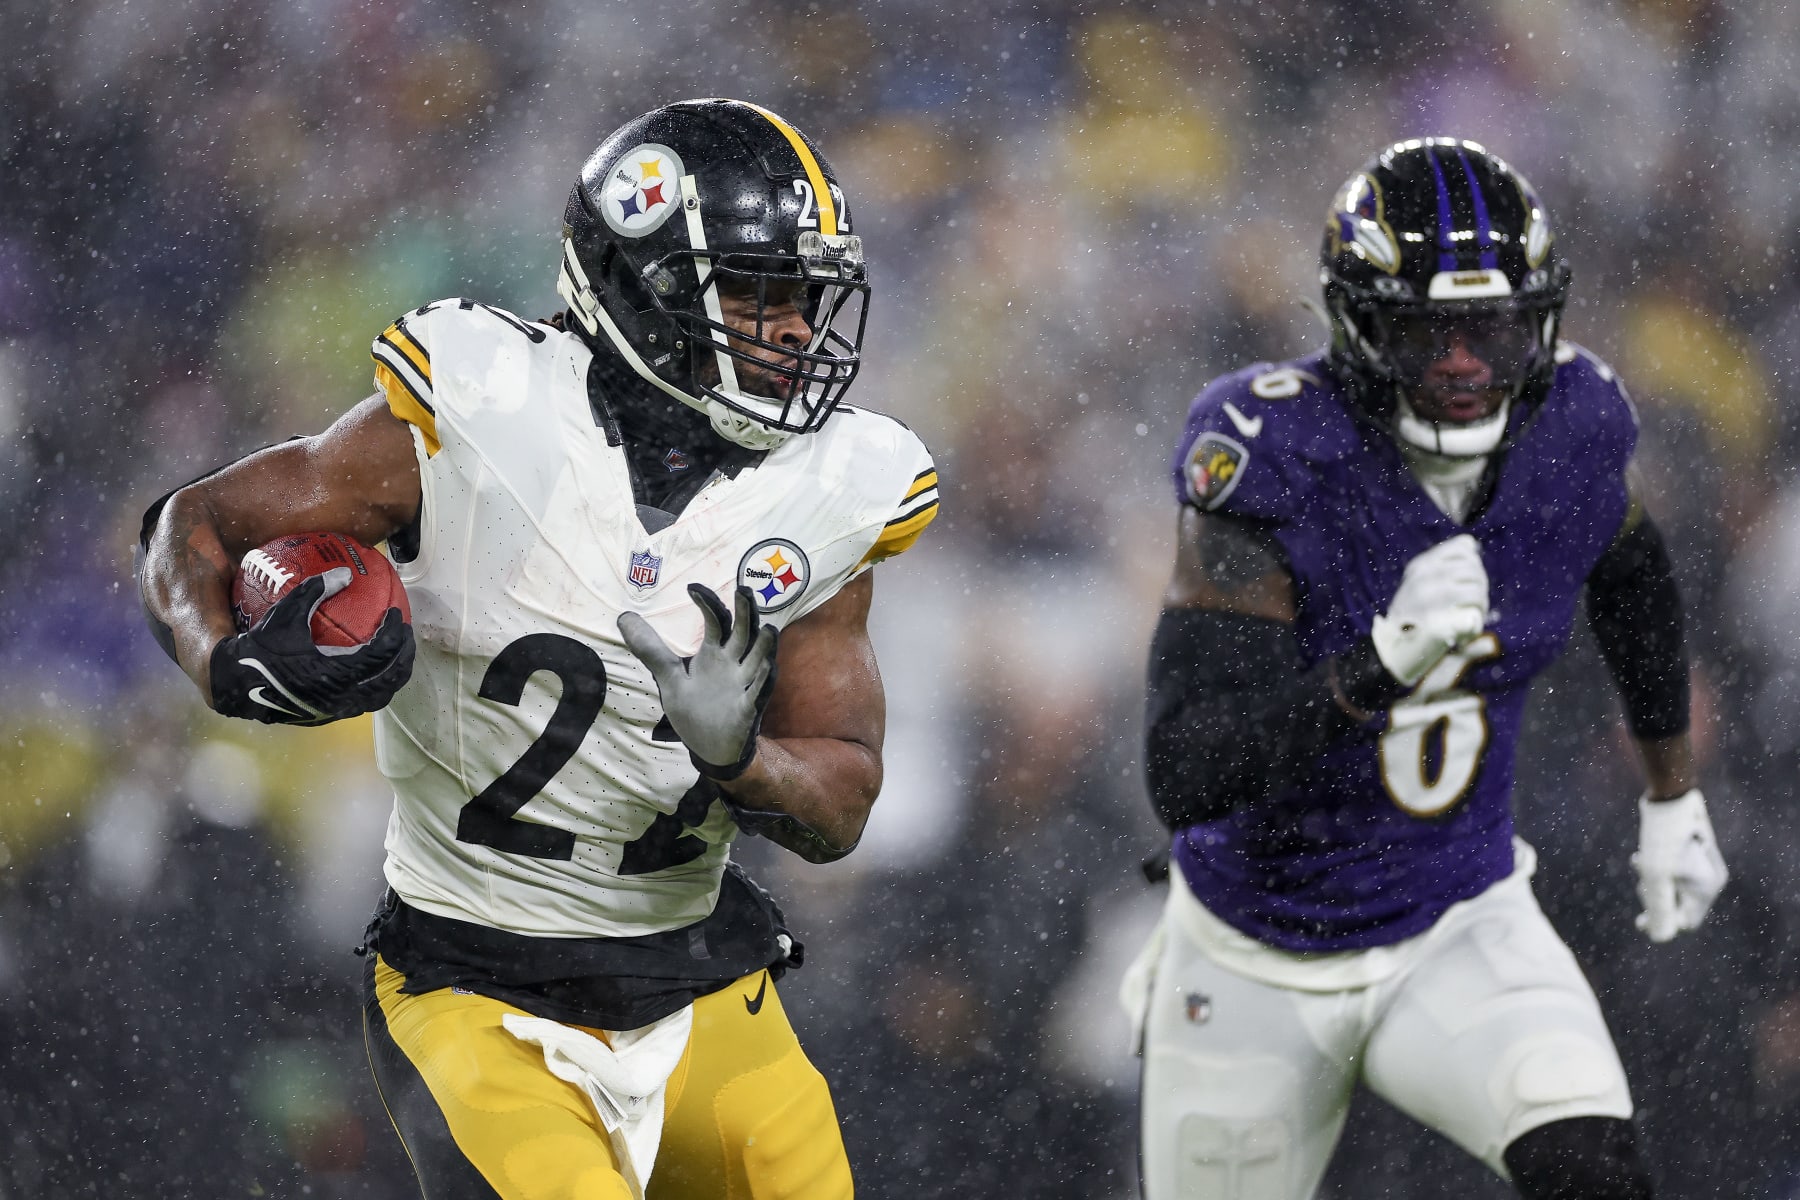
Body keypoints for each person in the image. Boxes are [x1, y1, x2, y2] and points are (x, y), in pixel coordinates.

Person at [138, 98, 939, 1200]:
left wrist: (742, 760)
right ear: (643, 291)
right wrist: (224, 661)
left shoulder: (834, 490)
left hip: (701, 980)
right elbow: (196, 527)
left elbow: (841, 798)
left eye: (807, 298)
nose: (798, 331)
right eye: (758, 294)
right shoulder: (479, 412)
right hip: (477, 981)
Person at [1123, 138, 1730, 1200]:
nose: (1462, 366)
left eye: (1491, 328)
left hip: (1461, 918)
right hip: (1254, 952)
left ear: (1536, 321)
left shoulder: (1573, 427)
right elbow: (1186, 771)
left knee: (1594, 1173)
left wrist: (1672, 795)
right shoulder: (1274, 454)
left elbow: (1634, 576)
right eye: (1427, 331)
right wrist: (1376, 666)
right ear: (1359, 327)